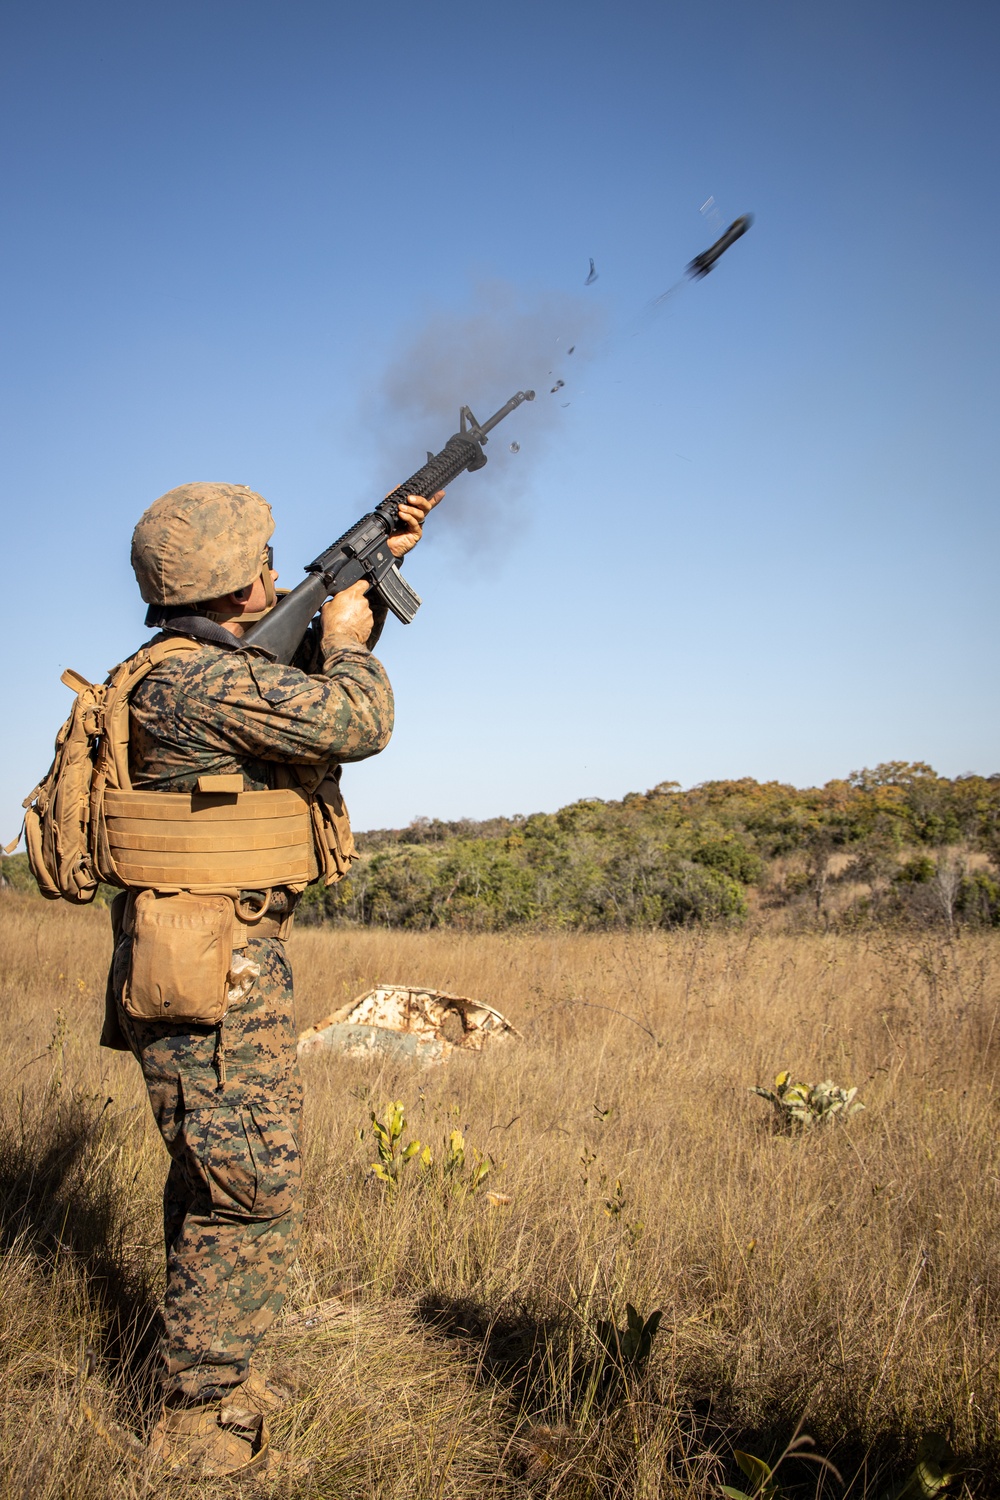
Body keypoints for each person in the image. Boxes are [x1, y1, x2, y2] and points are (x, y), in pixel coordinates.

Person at [106, 480, 439, 1476]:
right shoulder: (192, 684)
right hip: (212, 965)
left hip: (213, 953)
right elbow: (351, 720)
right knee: (246, 1184)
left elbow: (277, 695)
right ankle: (199, 1422)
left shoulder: (185, 668)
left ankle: (215, 1373)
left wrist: (385, 565)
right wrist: (346, 636)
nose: (270, 571)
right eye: (260, 561)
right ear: (233, 582)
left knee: (218, 1175)